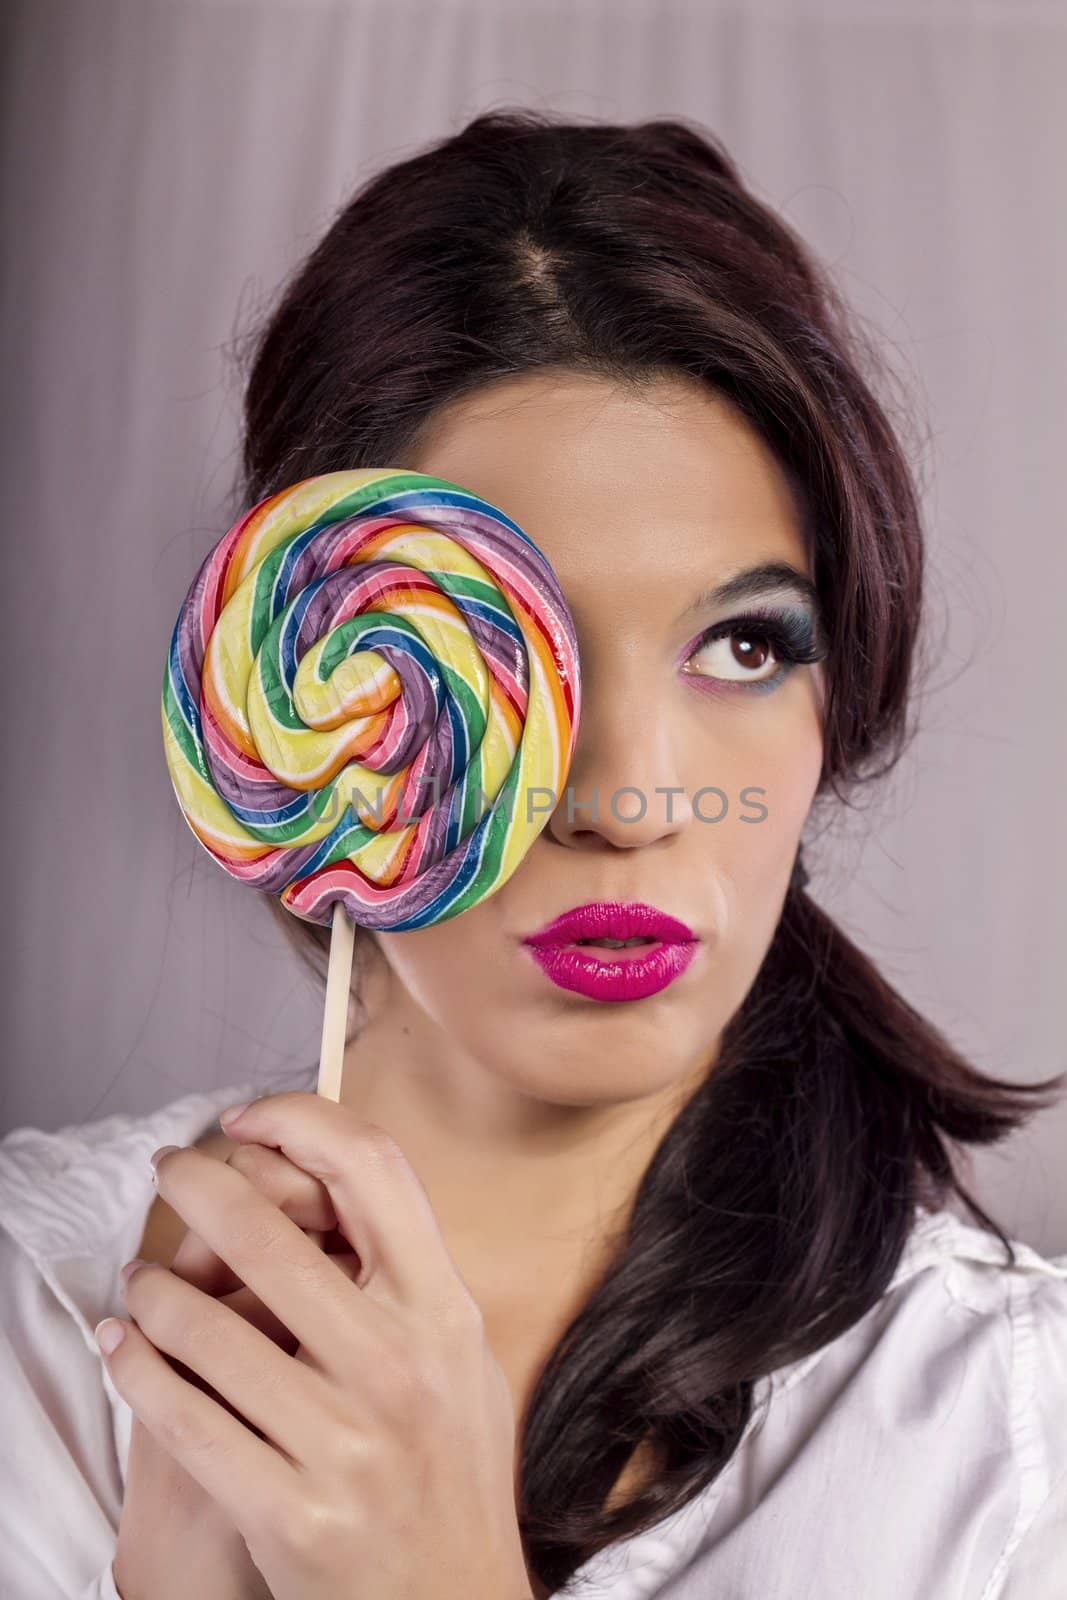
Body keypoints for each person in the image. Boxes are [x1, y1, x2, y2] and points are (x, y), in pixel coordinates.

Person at [2, 109, 1065, 1600]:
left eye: (746, 643)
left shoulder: (1013, 1457)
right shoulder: (27, 1328)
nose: (629, 801)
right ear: (322, 665)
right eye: (509, 649)